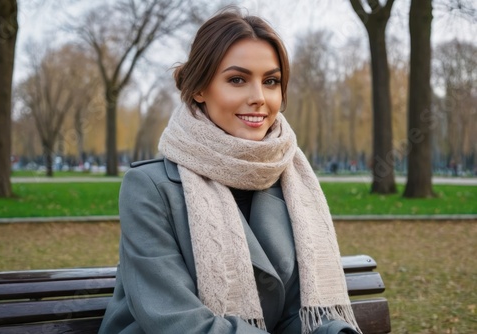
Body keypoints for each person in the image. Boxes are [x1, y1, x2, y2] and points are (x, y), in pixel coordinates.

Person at [99, 7, 361, 334]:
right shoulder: (149, 188)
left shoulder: (291, 182)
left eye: (271, 81)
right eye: (237, 80)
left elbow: (298, 313)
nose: (259, 98)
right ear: (199, 89)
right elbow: (176, 322)